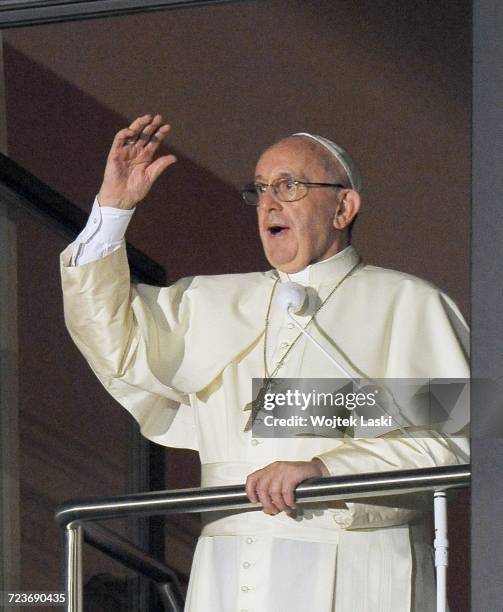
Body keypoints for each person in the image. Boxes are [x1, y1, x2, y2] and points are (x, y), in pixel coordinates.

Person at [60, 114, 469, 611]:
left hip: (357, 564)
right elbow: (112, 343)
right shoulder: (213, 300)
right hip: (227, 566)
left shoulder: (407, 303)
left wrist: (327, 468)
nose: (269, 203)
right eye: (259, 189)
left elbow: (457, 439)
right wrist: (114, 211)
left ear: (343, 207)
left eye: (289, 185)